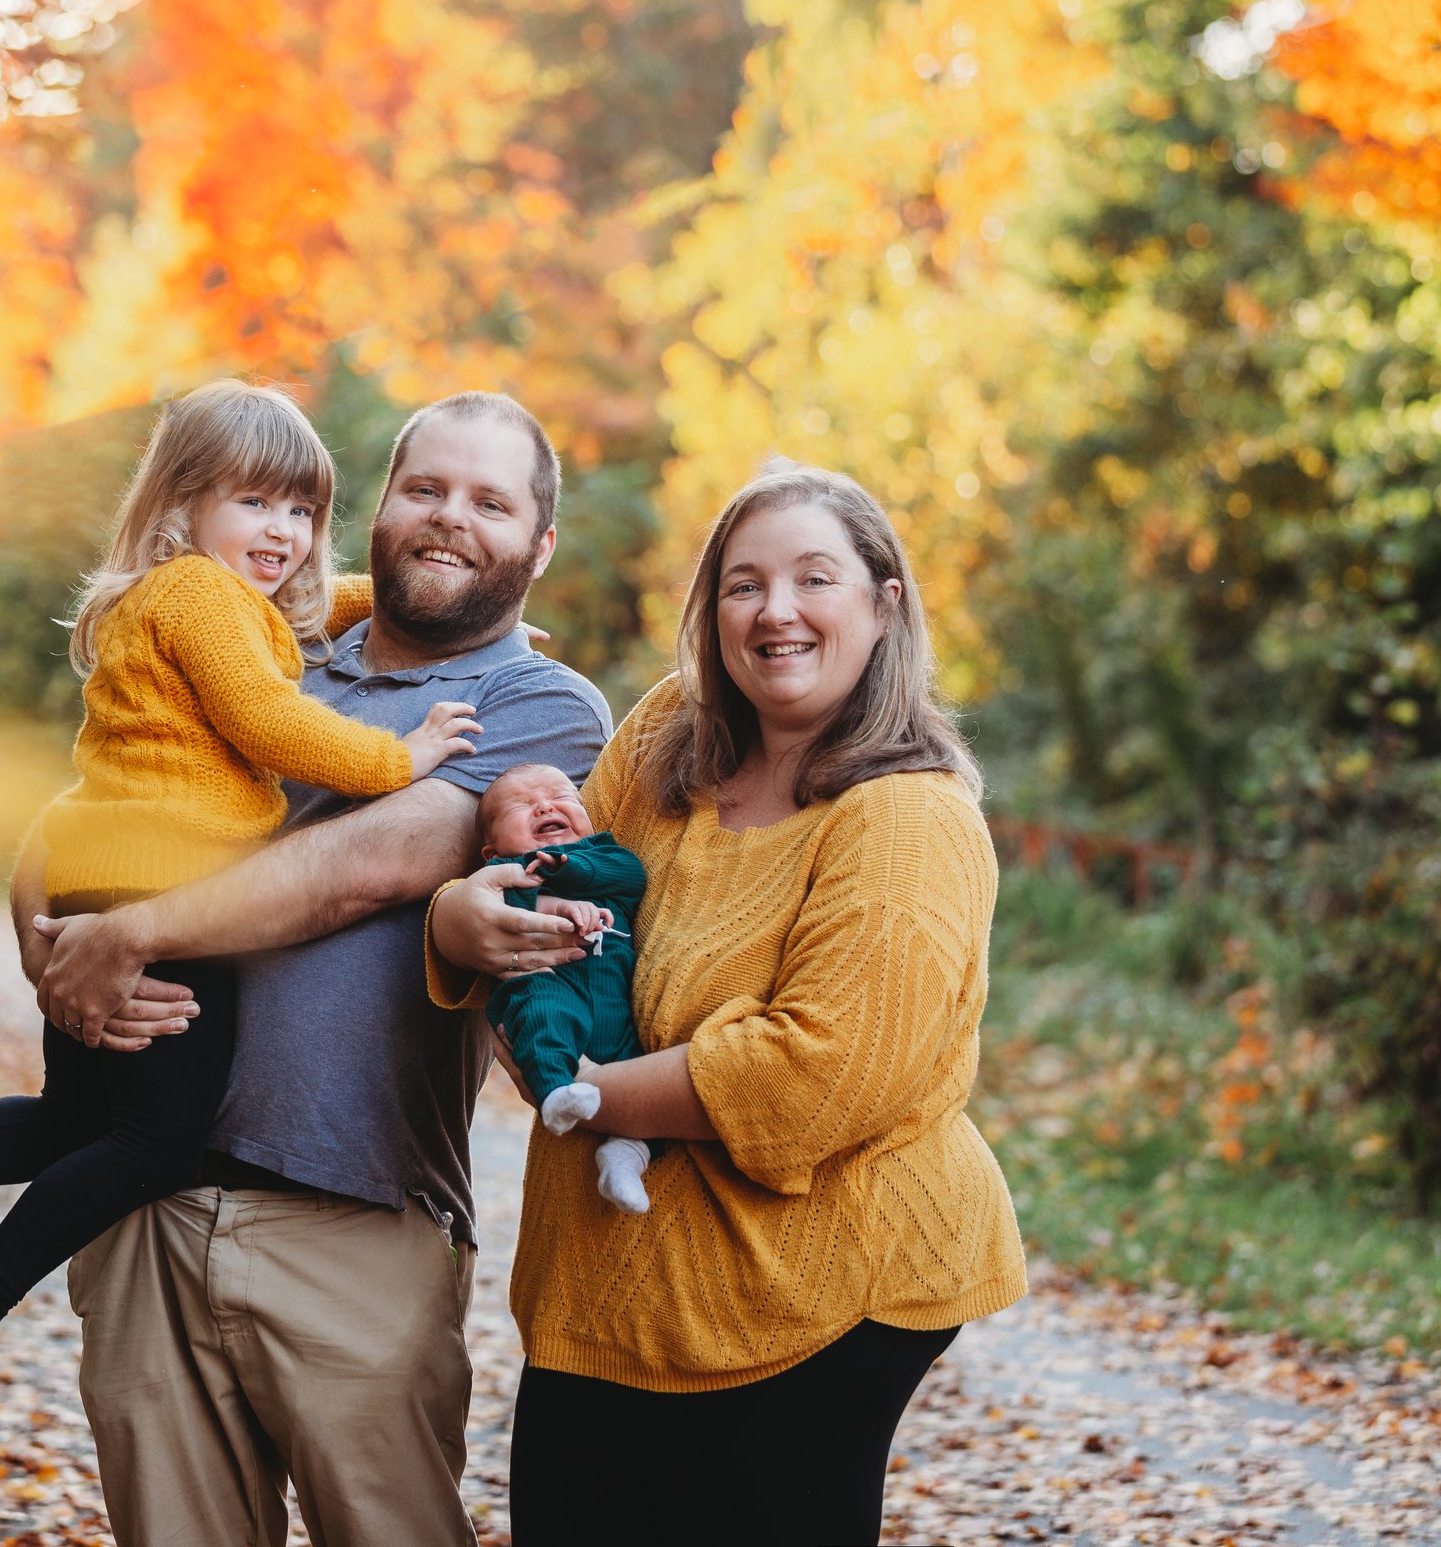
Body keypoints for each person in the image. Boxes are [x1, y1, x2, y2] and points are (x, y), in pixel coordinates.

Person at [0, 380, 481, 1446]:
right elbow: (274, 720)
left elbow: (313, 607)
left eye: (301, 511)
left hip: (102, 871)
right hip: (164, 890)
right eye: (256, 504)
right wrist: (397, 759)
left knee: (83, 1116)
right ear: (185, 503)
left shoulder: (184, 594)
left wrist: (389, 599)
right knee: (163, 1138)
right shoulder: (202, 599)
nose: (282, 532)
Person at [18, 391, 611, 1547]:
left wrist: (137, 931)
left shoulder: (530, 702)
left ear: (538, 546)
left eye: (491, 502)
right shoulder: (254, 638)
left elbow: (373, 860)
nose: (449, 519)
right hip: (147, 1206)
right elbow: (64, 824)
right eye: (425, 487)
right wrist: (58, 959)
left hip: (355, 1218)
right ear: (379, 505)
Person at [429, 463, 1028, 1546]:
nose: (776, 611)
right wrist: (457, 928)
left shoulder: (906, 820)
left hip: (809, 1286)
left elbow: (810, 1074)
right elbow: (557, 910)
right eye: (743, 584)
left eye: (814, 578)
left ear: (884, 602)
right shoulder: (668, 737)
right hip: (611, 1284)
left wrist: (580, 1087)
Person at [469, 762, 653, 1212]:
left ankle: (627, 1154)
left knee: (639, 1064)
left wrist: (569, 868)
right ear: (491, 851)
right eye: (521, 804)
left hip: (615, 996)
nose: (545, 805)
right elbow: (494, 904)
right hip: (546, 980)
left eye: (561, 795)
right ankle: (554, 1093)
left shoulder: (606, 857)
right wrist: (550, 902)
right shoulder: (504, 872)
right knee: (544, 1020)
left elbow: (631, 877)